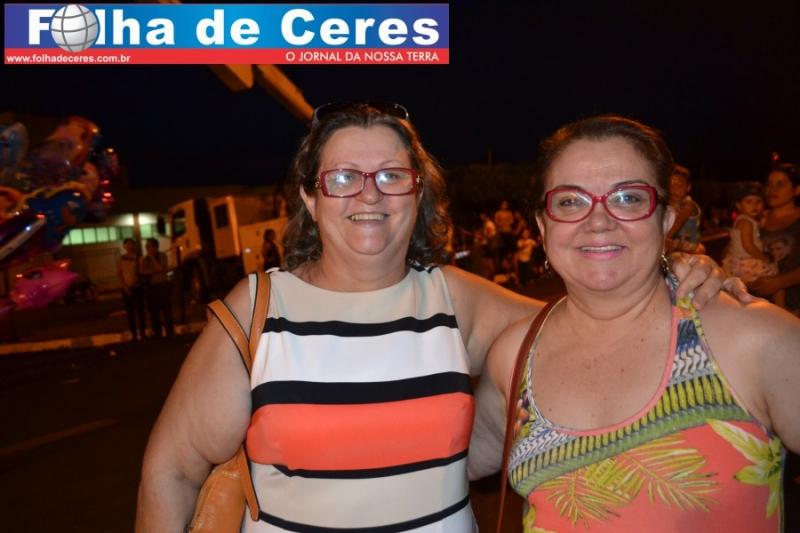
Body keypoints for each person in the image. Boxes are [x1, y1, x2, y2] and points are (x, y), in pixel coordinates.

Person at [135, 104, 735, 533]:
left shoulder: (455, 299)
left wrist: (673, 272)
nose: (369, 194)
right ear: (311, 199)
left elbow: (600, 322)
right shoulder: (257, 308)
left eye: (392, 176)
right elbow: (171, 470)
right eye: (343, 178)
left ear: (418, 194)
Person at [468, 115, 799, 532]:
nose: (598, 220)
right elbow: (444, 464)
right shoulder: (515, 355)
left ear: (665, 220)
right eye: (570, 201)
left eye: (628, 198)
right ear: (543, 225)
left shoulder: (752, 339)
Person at [751, 163, 800, 315]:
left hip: (794, 307)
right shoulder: (754, 219)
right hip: (758, 306)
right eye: (769, 184)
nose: (772, 190)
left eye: (780, 184)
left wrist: (779, 282)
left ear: (797, 190)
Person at [722, 182, 780, 299]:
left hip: (740, 261)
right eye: (749, 202)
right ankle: (781, 305)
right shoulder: (746, 222)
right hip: (746, 261)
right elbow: (748, 245)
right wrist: (762, 257)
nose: (754, 205)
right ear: (739, 206)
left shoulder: (746, 220)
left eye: (758, 201)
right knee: (775, 276)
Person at [665, 164, 705, 254]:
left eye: (680, 185)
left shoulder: (688, 205)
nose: (675, 190)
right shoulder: (667, 205)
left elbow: (678, 223)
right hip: (674, 248)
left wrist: (664, 238)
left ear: (688, 187)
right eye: (671, 185)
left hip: (688, 248)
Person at [139, 238, 174, 339]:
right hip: (151, 287)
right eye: (146, 246)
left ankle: (169, 332)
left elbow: (161, 268)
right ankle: (157, 333)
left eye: (149, 246)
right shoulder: (145, 259)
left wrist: (152, 258)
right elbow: (142, 271)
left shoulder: (162, 255)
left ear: (155, 246)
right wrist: (155, 270)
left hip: (162, 285)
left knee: (166, 310)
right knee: (153, 311)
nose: (147, 248)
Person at [117, 238, 146, 341]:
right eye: (127, 244)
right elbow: (120, 274)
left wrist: (136, 283)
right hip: (126, 288)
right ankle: (134, 334)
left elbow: (141, 272)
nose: (129, 246)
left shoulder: (139, 258)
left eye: (131, 244)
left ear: (134, 245)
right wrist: (125, 287)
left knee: (140, 311)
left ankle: (142, 333)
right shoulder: (121, 259)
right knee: (130, 313)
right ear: (124, 246)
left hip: (137, 287)